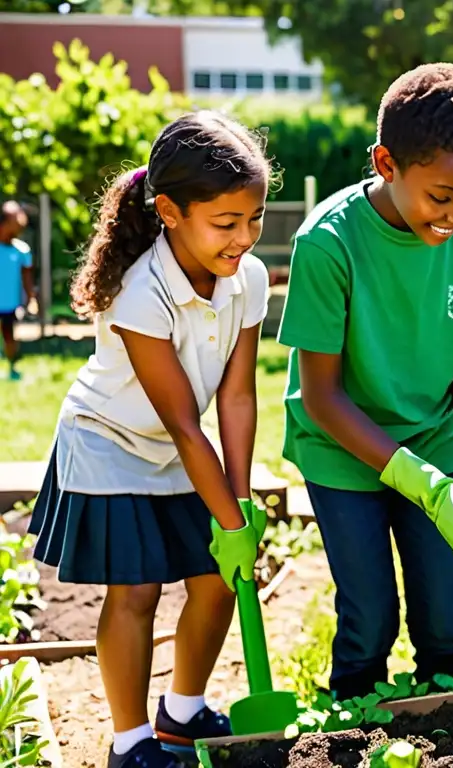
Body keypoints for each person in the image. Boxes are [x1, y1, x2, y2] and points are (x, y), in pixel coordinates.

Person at [27, 111, 272, 768]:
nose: (244, 238)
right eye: (226, 223)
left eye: (255, 219)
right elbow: (185, 424)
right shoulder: (141, 294)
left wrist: (238, 507)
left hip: (177, 446)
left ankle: (182, 713)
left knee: (220, 577)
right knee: (135, 591)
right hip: (109, 443)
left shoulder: (245, 279)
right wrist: (225, 513)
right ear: (169, 210)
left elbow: (238, 395)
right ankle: (130, 743)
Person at [277, 63, 453, 701]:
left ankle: (447, 729)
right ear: (386, 163)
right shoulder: (328, 244)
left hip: (437, 440)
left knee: (445, 624)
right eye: (442, 197)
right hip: (343, 453)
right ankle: (353, 725)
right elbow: (320, 398)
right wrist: (427, 488)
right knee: (370, 621)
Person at [0, 200, 36, 380]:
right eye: (16, 218)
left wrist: (31, 299)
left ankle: (12, 367)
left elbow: (27, 278)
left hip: (9, 303)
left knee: (9, 336)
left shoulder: (22, 250)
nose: (22, 222)